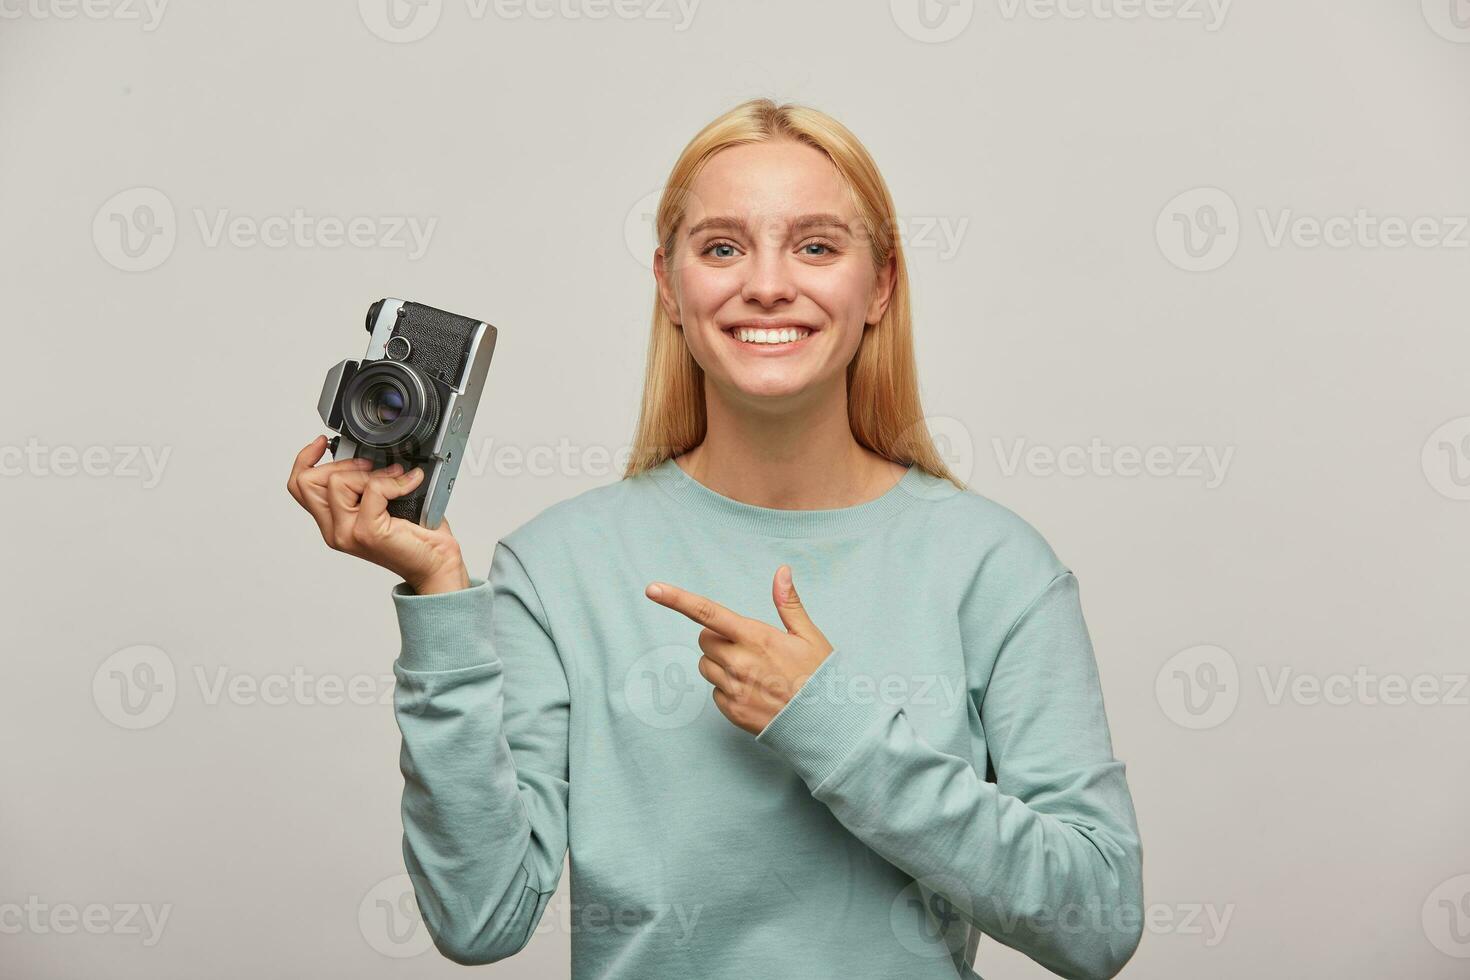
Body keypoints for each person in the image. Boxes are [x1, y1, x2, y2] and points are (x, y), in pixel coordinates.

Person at [286, 98, 1144, 980]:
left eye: (816, 246)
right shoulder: (556, 569)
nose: (767, 285)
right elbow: (480, 918)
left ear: (880, 285)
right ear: (670, 285)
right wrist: (440, 603)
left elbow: (1098, 922)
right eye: (724, 247)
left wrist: (831, 724)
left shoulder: (995, 567)